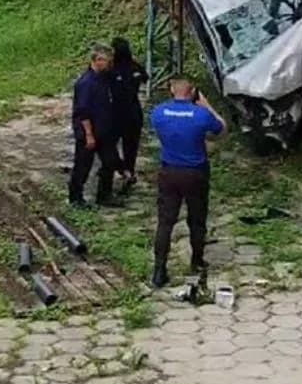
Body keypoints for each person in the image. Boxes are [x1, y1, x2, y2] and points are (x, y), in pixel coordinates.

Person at [150, 77, 226, 289]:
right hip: (195, 172)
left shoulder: (158, 112)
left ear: (171, 89)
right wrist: (207, 106)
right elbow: (221, 130)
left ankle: (159, 270)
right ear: (193, 92)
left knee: (165, 222)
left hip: (169, 171)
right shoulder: (201, 115)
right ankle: (197, 261)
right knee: (197, 219)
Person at [68, 43, 121, 208]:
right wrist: (89, 134)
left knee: (109, 162)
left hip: (104, 129)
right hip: (88, 131)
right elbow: (82, 111)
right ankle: (75, 198)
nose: (109, 64)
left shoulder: (104, 78)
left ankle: (104, 195)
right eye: (105, 61)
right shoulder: (86, 83)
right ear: (96, 60)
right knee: (83, 165)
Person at [110, 37, 148, 186]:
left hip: (116, 112)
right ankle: (128, 169)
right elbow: (145, 77)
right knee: (131, 146)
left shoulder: (112, 69)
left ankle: (120, 168)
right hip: (133, 110)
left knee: (108, 144)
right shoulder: (135, 66)